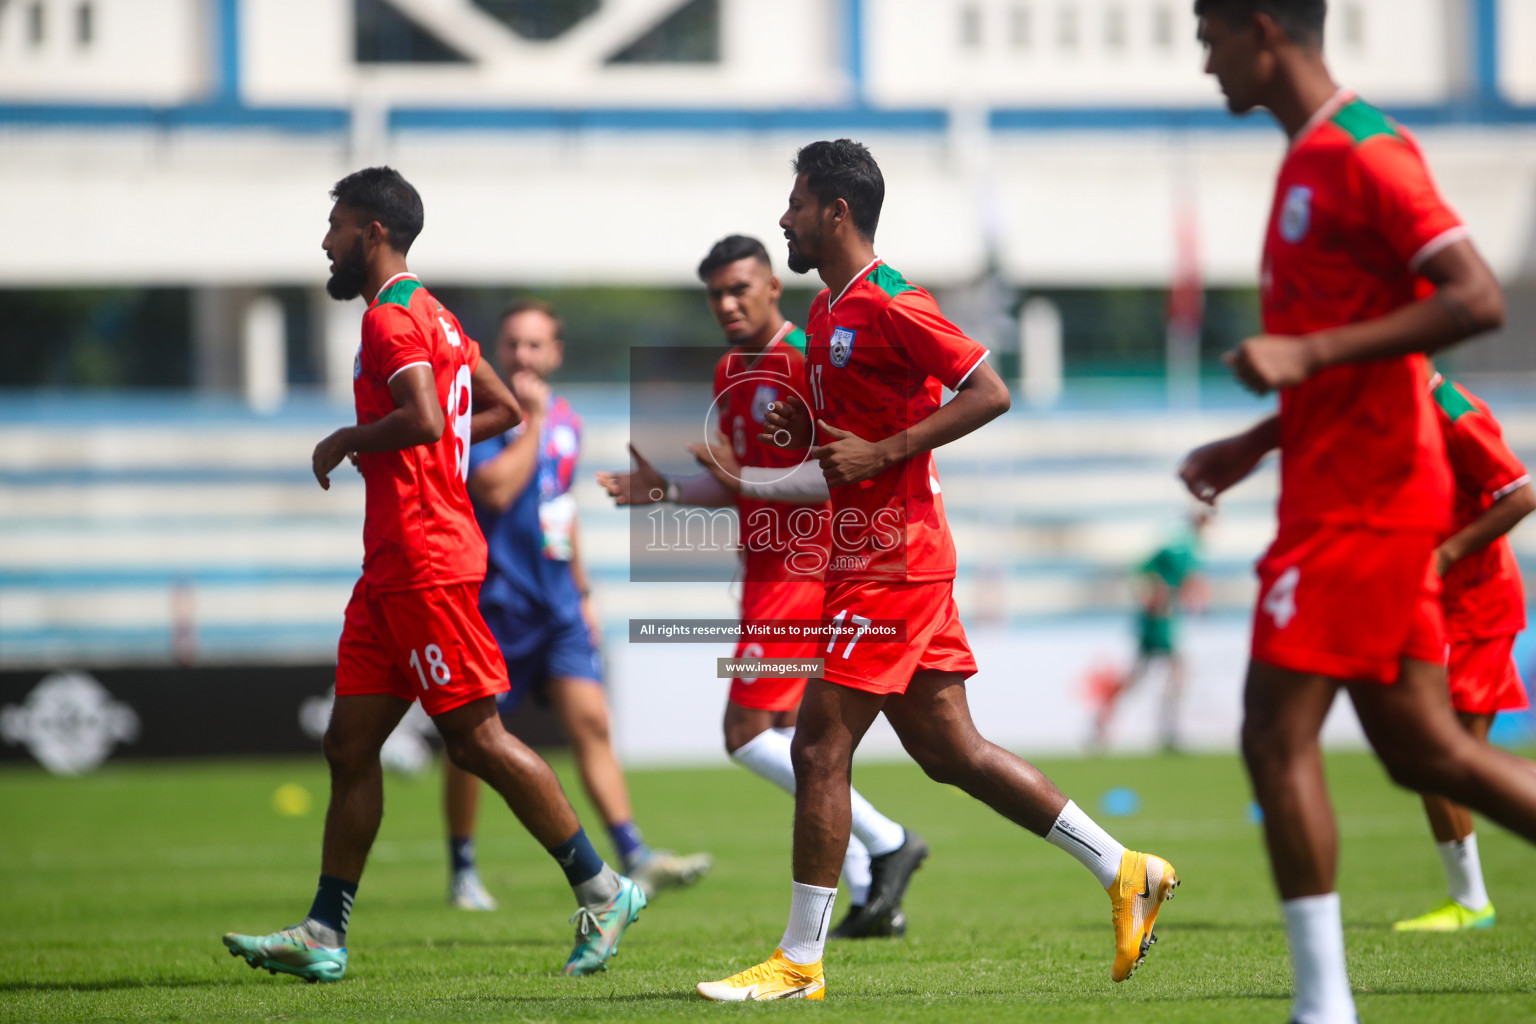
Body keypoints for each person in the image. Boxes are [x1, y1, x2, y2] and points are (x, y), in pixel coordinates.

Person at [695, 140, 1178, 1002]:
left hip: (894, 562)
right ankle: (1125, 869)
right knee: (952, 751)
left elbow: (989, 389)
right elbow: (839, 451)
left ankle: (799, 962)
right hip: (879, 555)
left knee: (816, 748)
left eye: (797, 203)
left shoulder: (889, 301)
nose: (784, 217)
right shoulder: (829, 314)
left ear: (835, 212)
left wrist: (885, 449)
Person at [1181, 5, 1536, 1022]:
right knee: (1426, 750)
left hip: (1369, 499)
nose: (1204, 62)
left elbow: (1475, 298)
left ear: (1262, 31)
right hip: (1334, 488)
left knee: (1274, 735)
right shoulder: (1303, 162)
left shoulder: (1365, 149)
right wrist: (1253, 444)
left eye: (1209, 37)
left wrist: (1308, 354)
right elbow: (1351, 348)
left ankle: (1323, 1006)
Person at [222, 167, 644, 983]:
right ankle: (325, 931)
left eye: (337, 225)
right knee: (349, 745)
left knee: (477, 739)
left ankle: (603, 888)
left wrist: (348, 438)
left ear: (373, 231)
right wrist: (436, 449)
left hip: (425, 561)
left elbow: (420, 416)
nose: (327, 241)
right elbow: (500, 410)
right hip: (392, 567)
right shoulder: (438, 315)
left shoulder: (391, 319)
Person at [597, 234, 923, 939]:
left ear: (773, 287)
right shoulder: (729, 370)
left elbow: (832, 467)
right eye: (715, 292)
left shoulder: (806, 357)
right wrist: (666, 492)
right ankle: (871, 889)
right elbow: (739, 485)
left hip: (806, 568)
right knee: (790, 737)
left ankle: (887, 841)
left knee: (745, 735)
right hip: (767, 569)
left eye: (739, 288)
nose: (727, 303)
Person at [443, 299, 712, 909]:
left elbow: (557, 507)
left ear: (555, 353)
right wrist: (529, 422)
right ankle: (462, 868)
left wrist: (585, 591)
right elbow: (493, 487)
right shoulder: (482, 416)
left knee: (591, 723)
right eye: (512, 344)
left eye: (535, 345)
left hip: (559, 602)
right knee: (473, 739)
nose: (523, 356)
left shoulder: (569, 420)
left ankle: (635, 853)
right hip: (493, 602)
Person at [1393, 373, 1533, 932]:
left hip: (1477, 606)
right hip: (1440, 604)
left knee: (1443, 757)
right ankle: (1469, 900)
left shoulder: (1451, 408)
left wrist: (1445, 554)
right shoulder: (1397, 408)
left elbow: (1520, 493)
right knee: (1447, 759)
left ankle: (1471, 901)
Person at [1091, 509, 1211, 752]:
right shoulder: (1180, 546)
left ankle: (1106, 721)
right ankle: (1167, 730)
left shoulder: (1186, 546)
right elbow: (1144, 571)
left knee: (1145, 675)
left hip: (1162, 619)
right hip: (1159, 621)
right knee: (1174, 672)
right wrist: (1153, 596)